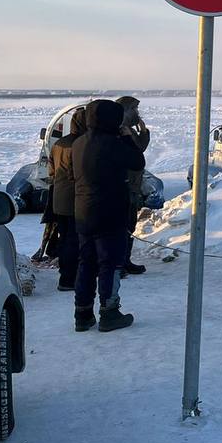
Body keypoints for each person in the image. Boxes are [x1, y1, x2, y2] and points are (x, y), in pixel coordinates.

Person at [72, 99, 145, 332]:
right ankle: (110, 312)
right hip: (109, 212)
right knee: (110, 263)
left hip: (83, 212)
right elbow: (137, 162)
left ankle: (82, 314)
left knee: (86, 263)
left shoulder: (79, 143)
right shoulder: (112, 143)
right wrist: (125, 136)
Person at [47, 105, 87, 291]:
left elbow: (52, 171)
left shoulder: (59, 144)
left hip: (58, 198)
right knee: (73, 239)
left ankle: (65, 273)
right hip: (74, 199)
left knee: (65, 238)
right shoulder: (81, 145)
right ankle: (69, 279)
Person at [116, 95, 150, 277]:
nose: (137, 113)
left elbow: (140, 149)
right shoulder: (119, 131)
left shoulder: (129, 130)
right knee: (121, 226)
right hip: (124, 185)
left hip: (133, 186)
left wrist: (143, 131)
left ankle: (125, 261)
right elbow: (133, 153)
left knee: (130, 224)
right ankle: (117, 264)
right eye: (134, 109)